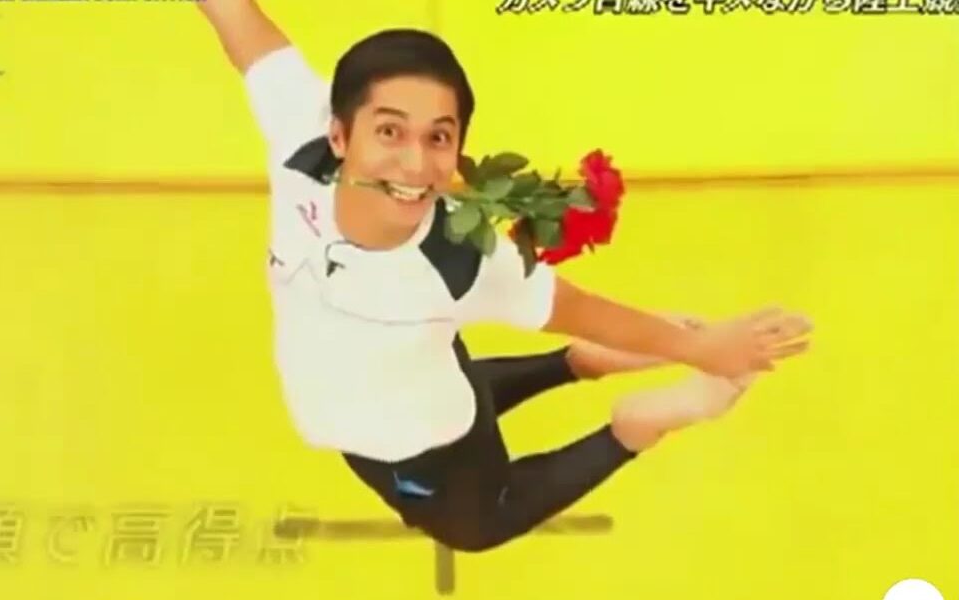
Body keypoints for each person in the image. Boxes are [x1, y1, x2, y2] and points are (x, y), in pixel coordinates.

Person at [196, 0, 812, 552]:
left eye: (438, 138)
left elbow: (584, 309)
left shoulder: (466, 260)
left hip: (424, 444)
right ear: (338, 133)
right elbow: (236, 15)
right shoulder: (298, 143)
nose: (415, 163)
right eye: (389, 131)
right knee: (467, 384)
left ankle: (638, 423)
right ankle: (583, 363)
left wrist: (706, 350)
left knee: (481, 526)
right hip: (409, 391)